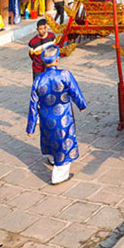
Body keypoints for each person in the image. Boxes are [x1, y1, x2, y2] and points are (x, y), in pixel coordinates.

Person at [27, 45, 87, 185]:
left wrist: (31, 127)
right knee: (64, 142)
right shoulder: (64, 74)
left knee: (49, 138)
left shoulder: (38, 80)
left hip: (46, 116)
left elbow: (33, 105)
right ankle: (59, 175)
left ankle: (52, 159)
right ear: (57, 59)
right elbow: (75, 91)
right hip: (63, 116)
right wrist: (81, 105)